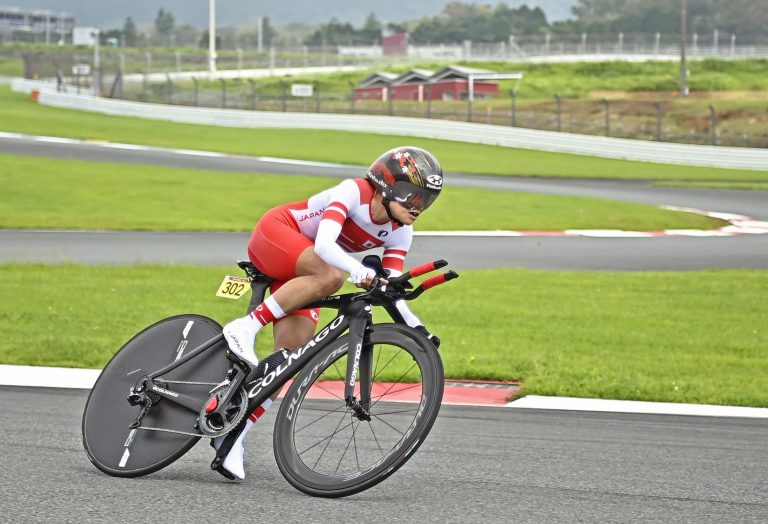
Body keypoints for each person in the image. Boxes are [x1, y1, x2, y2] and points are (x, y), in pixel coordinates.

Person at [213, 146, 444, 480]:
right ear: (386, 186)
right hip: (277, 235)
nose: (419, 207)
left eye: (426, 199)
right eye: (413, 196)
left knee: (291, 359)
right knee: (331, 276)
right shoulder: (353, 191)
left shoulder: (401, 230)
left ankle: (233, 434)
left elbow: (392, 284)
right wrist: (357, 270)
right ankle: (245, 327)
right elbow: (324, 247)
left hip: (303, 273)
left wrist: (417, 328)